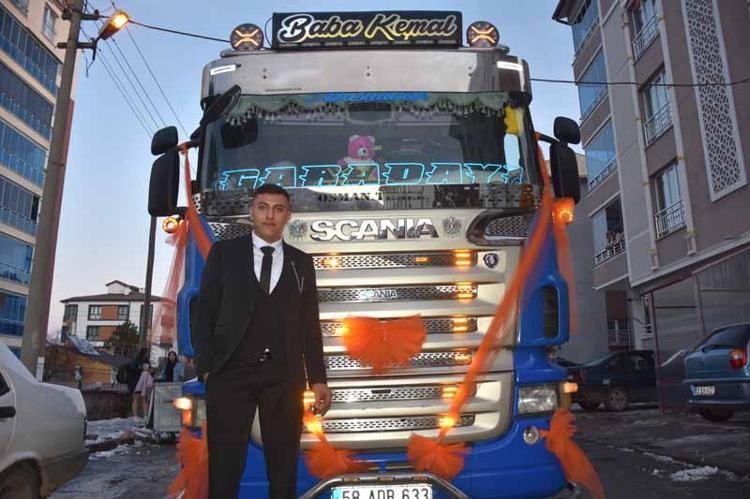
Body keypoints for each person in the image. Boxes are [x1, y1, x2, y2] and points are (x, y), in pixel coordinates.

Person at [193, 183, 330, 499]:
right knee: (224, 472)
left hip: (283, 378)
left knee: (283, 474)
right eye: (263, 207)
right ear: (252, 212)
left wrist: (318, 379)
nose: (270, 215)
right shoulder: (224, 254)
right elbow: (204, 313)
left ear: (288, 216)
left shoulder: (301, 263)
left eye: (278, 209)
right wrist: (206, 368)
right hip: (230, 374)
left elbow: (309, 325)